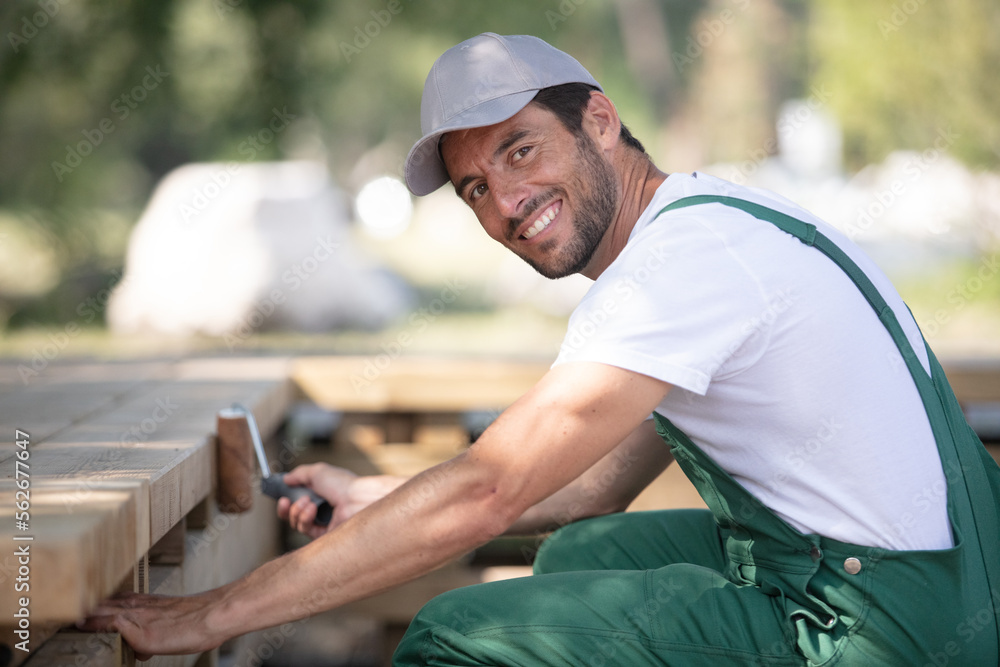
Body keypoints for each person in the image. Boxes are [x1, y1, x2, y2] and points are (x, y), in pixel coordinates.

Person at [82, 33, 1000, 665]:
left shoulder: (676, 270)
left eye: (522, 151)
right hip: (941, 574)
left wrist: (213, 611)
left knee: (456, 636)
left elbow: (492, 490)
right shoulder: (714, 221)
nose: (504, 203)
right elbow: (593, 482)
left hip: (878, 627)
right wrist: (378, 496)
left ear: (600, 119)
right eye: (476, 187)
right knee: (578, 558)